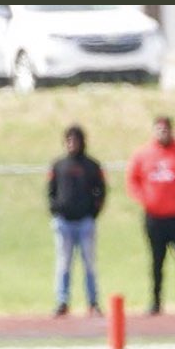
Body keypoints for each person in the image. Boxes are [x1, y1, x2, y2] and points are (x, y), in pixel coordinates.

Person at [126, 115, 175, 315]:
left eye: (166, 129)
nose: (162, 133)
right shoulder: (143, 155)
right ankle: (155, 302)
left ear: (171, 130)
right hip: (155, 217)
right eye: (159, 129)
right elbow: (133, 180)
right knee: (156, 261)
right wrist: (146, 199)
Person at [48, 124, 106, 317]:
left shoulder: (91, 165)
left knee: (89, 263)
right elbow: (51, 190)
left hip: (85, 222)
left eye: (76, 139)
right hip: (64, 222)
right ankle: (62, 301)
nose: (72, 143)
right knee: (63, 263)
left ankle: (93, 301)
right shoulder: (58, 165)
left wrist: (93, 212)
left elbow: (101, 190)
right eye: (69, 140)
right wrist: (55, 209)